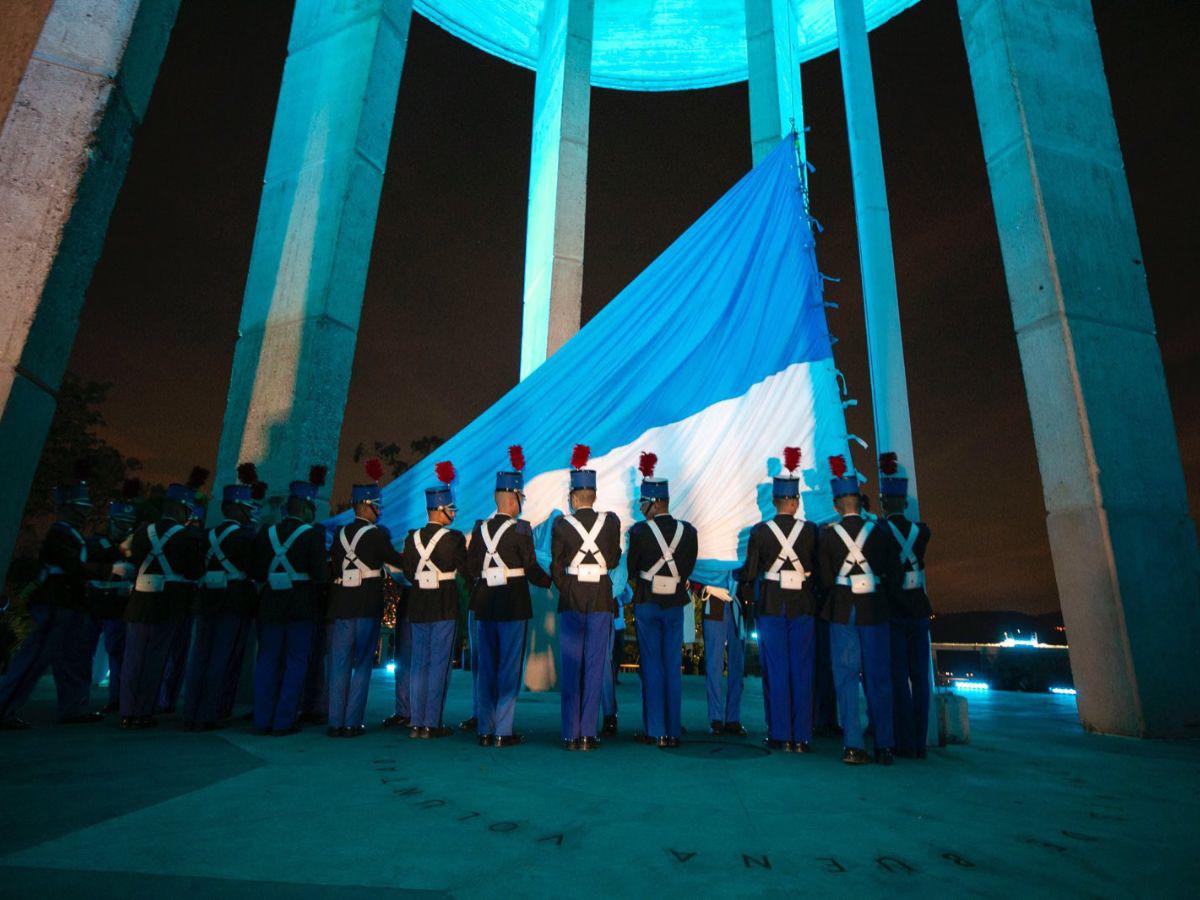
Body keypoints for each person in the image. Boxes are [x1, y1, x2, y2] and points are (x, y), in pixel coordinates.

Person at [0, 477, 103, 729]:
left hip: (68, 604)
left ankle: (74, 708)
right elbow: (72, 566)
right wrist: (108, 570)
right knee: (34, 659)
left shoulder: (70, 534)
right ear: (67, 506)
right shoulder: (60, 533)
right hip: (55, 605)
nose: (85, 512)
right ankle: (4, 708)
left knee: (72, 659)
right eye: (81, 506)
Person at [466, 445, 551, 747]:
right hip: (513, 605)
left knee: (486, 667)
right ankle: (503, 730)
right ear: (514, 499)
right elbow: (530, 568)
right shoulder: (521, 530)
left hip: (484, 605)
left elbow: (471, 567)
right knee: (508, 668)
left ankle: (485, 730)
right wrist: (551, 580)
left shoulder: (480, 529)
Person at [818, 455, 899, 765]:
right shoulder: (880, 531)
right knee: (879, 677)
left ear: (838, 503)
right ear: (859, 501)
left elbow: (826, 579)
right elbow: (891, 571)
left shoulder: (828, 535)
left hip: (842, 610)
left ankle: (852, 745)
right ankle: (885, 744)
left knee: (846, 678)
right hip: (874, 609)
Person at [737, 447, 819, 751]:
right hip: (803, 606)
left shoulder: (760, 532)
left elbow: (749, 571)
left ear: (774, 501)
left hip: (771, 605)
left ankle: (781, 734)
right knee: (802, 670)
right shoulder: (811, 531)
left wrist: (735, 578)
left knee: (776, 671)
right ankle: (802, 736)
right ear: (796, 501)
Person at [551, 444, 622, 751]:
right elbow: (616, 558)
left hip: (571, 599)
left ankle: (570, 734)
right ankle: (588, 734)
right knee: (595, 667)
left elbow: (556, 565)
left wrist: (566, 587)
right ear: (594, 495)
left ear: (573, 496)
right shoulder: (611, 522)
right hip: (601, 600)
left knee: (571, 667)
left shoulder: (562, 525)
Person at [121, 473, 206, 729]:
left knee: (133, 658)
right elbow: (193, 571)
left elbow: (133, 560)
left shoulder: (142, 532)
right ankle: (145, 711)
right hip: (167, 602)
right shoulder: (187, 536)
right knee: (156, 659)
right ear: (182, 509)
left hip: (139, 601)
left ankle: (127, 710)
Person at [327, 459, 404, 737]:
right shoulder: (375, 536)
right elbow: (398, 561)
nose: (379, 511)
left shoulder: (339, 534)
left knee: (338, 666)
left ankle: (335, 722)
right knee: (361, 666)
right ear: (367, 504)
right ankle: (352, 722)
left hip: (340, 605)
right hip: (366, 606)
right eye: (377, 506)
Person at [627, 452, 698, 749]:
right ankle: (672, 730)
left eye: (644, 503)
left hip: (647, 601)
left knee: (652, 667)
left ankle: (654, 729)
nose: (641, 509)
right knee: (671, 665)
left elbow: (632, 568)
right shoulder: (689, 531)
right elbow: (690, 567)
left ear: (654, 503)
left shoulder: (640, 531)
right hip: (674, 604)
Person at [181, 464, 259, 731]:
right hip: (234, 601)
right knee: (221, 658)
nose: (250, 515)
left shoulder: (205, 535)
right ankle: (209, 713)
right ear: (237, 509)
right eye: (247, 510)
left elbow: (192, 569)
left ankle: (190, 710)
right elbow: (255, 570)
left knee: (199, 657)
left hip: (206, 601)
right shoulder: (245, 539)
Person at [252, 467, 327, 736]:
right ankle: (284, 720)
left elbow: (258, 572)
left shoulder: (266, 533)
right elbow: (320, 575)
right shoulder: (312, 536)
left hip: (270, 604)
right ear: (306, 508)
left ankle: (262, 719)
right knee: (296, 663)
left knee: (267, 662)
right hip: (300, 606)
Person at [400, 461, 467, 739]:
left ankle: (416, 722)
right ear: (441, 510)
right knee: (439, 664)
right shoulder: (454, 538)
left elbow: (406, 570)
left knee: (418, 664)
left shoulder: (411, 537)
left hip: (418, 604)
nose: (453, 514)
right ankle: (432, 723)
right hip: (443, 604)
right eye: (450, 509)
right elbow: (465, 568)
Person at [878, 452, 932, 759]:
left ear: (884, 502)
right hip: (920, 610)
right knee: (921, 679)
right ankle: (920, 742)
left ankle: (903, 739)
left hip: (893, 612)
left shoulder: (881, 532)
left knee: (898, 678)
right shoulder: (922, 532)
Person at [87, 480, 141, 713]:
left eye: (129, 525)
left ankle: (115, 698)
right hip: (93, 603)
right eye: (121, 523)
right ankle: (78, 698)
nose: (125, 529)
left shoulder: (134, 548)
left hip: (118, 607)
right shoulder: (95, 543)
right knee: (83, 652)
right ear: (111, 521)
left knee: (117, 654)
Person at [699, 582, 747, 737]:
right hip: (713, 601)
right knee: (714, 664)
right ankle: (716, 719)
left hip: (738, 603)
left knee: (737, 665)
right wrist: (705, 588)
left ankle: (733, 719)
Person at [600, 584, 630, 737]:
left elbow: (628, 595)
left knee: (608, 662)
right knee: (606, 662)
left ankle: (609, 715)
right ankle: (608, 715)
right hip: (602, 613)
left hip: (614, 620)